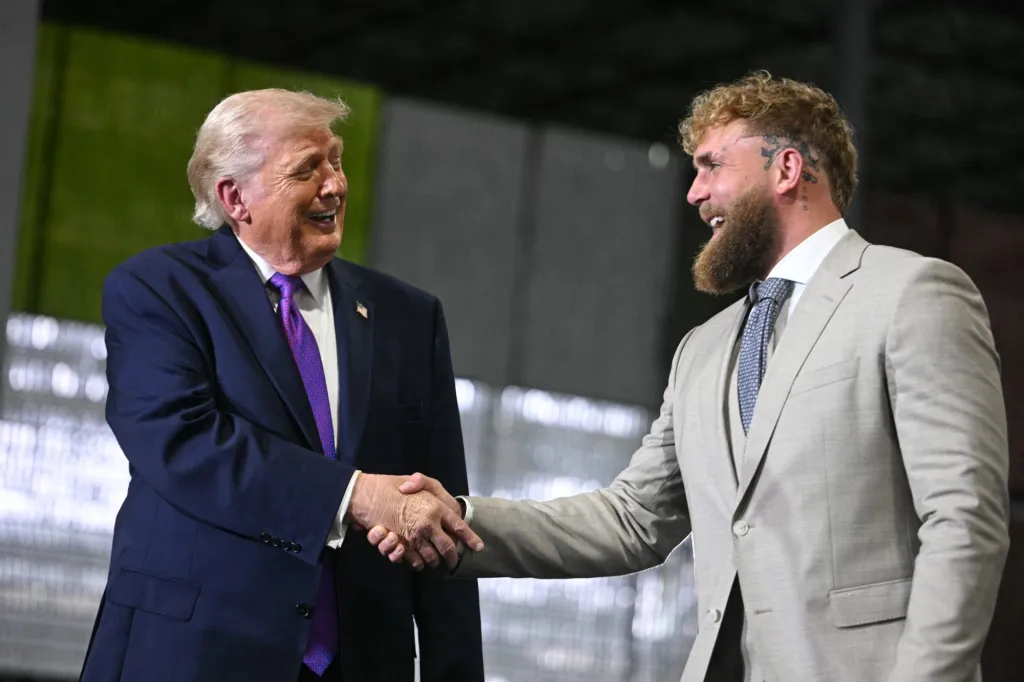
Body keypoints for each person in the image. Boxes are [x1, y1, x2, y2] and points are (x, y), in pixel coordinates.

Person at [368, 71, 1011, 682]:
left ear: (787, 169)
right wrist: (458, 520)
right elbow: (632, 519)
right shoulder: (702, 350)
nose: (694, 194)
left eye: (711, 166)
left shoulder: (912, 293)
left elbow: (965, 519)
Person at [79, 88, 485, 682]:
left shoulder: (408, 317)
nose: (335, 185)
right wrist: (354, 495)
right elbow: (183, 444)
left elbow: (440, 509)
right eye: (306, 169)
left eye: (336, 161)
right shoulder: (159, 291)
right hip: (193, 654)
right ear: (235, 197)